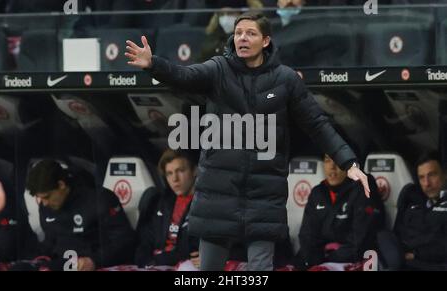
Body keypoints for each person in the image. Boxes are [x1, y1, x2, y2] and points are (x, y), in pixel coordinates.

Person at [125, 11, 370, 271]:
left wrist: (349, 162)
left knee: (260, 270)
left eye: (250, 33)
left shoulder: (285, 79)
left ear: (265, 41)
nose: (242, 38)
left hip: (264, 193)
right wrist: (154, 64)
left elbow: (317, 124)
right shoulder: (219, 69)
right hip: (218, 191)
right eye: (239, 33)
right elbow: (185, 75)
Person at [26, 159, 135, 271]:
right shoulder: (46, 206)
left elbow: (124, 241)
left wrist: (94, 260)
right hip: (63, 265)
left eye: (47, 197)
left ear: (61, 185)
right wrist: (40, 260)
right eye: (39, 198)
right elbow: (50, 242)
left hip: (97, 265)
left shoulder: (99, 199)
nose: (44, 203)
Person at [295, 154, 385, 270]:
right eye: (327, 160)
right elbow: (307, 236)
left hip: (353, 261)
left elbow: (361, 240)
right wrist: (316, 260)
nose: (332, 166)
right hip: (319, 261)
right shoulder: (318, 192)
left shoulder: (364, 186)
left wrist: (329, 259)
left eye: (337, 160)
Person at [135, 149, 199, 268]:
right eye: (169, 173)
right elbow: (146, 240)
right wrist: (144, 258)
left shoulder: (205, 203)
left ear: (195, 170)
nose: (174, 179)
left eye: (180, 171)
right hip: (157, 264)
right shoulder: (162, 202)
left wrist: (159, 259)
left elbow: (192, 249)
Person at [394, 152, 447, 270]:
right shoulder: (413, 203)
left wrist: (417, 254)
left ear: (444, 175)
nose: (427, 183)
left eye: (432, 175)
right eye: (421, 178)